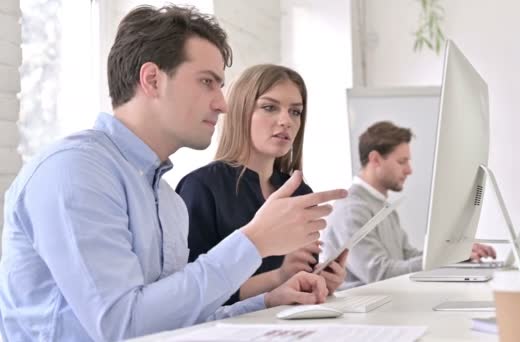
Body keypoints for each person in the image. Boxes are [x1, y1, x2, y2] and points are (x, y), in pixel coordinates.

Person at [0, 5, 347, 341]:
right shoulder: (73, 172)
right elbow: (122, 327)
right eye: (207, 82)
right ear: (152, 80)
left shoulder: (166, 200)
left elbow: (178, 320)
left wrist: (269, 300)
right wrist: (253, 242)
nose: (223, 104)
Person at [176, 64, 347, 306]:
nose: (286, 121)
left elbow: (295, 285)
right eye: (269, 107)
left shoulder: (300, 193)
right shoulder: (200, 188)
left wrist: (318, 281)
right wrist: (277, 278)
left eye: (295, 112)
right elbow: (189, 297)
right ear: (240, 111)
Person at [321, 121, 495, 289]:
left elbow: (407, 256)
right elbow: (379, 273)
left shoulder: (381, 206)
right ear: (375, 159)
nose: (409, 170)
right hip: (361, 313)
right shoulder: (352, 210)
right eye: (402, 161)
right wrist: (445, 258)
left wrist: (455, 253)